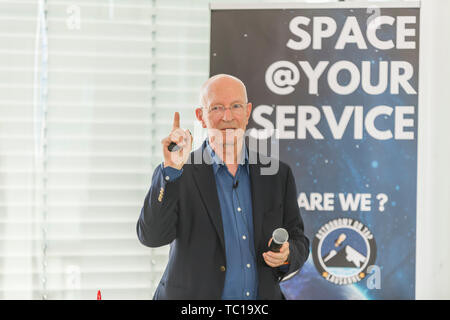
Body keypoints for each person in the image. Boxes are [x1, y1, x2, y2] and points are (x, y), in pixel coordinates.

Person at [136, 74, 309, 300]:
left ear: (247, 112)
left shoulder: (277, 174)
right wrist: (170, 170)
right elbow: (152, 237)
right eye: (216, 108)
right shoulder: (179, 172)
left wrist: (287, 254)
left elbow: (298, 239)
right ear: (201, 116)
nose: (227, 116)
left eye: (235, 106)